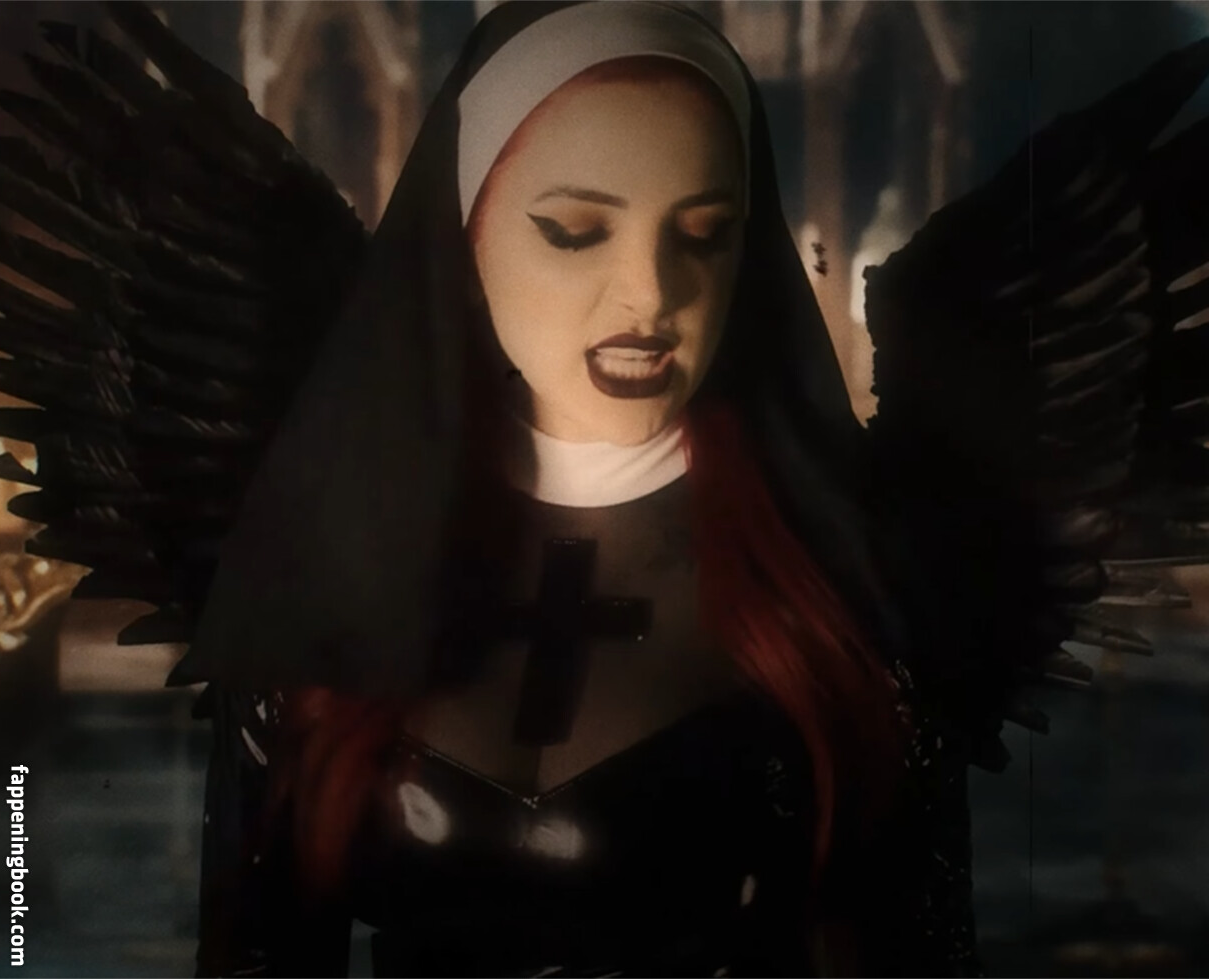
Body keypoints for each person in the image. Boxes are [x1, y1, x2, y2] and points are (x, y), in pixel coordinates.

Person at [179, 4, 983, 977]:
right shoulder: (321, 564)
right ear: (463, 241)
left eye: (705, 234)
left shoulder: (846, 584)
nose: (651, 293)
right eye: (574, 231)